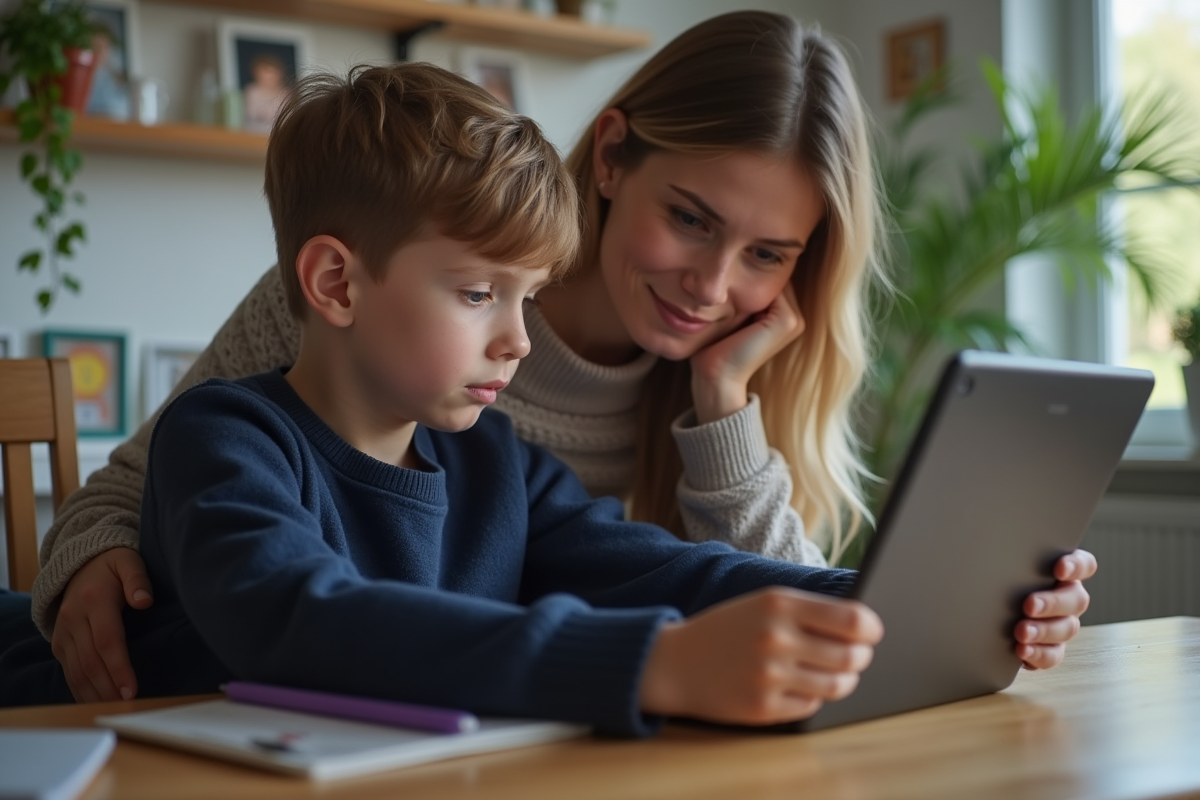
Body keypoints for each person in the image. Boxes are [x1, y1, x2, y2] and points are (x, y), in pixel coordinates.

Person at [11, 11, 1094, 705]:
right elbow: (300, 617)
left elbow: (674, 570)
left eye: (766, 254)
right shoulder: (230, 435)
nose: (517, 337)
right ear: (335, 285)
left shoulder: (491, 457)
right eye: (483, 294)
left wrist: (904, 599)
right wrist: (648, 663)